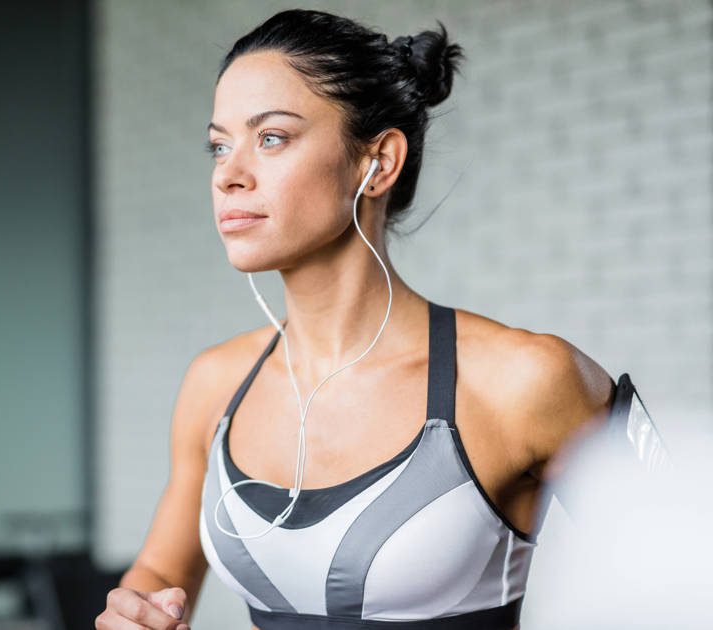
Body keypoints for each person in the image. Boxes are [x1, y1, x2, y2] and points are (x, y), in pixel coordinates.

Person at [95, 9, 615, 630]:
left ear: (378, 163)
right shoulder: (215, 383)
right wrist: (136, 611)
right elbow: (157, 576)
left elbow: (685, 576)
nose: (228, 176)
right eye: (218, 145)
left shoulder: (525, 379)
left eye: (271, 138)